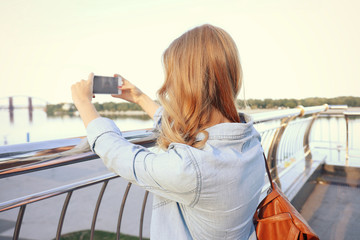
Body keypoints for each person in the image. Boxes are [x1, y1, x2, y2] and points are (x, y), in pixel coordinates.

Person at [71, 24, 265, 240]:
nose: (168, 85)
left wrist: (83, 104)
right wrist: (139, 98)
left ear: (188, 84)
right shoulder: (249, 139)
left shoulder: (192, 169)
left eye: (173, 76)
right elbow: (188, 126)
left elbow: (123, 157)